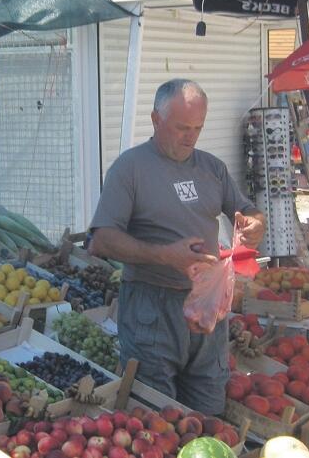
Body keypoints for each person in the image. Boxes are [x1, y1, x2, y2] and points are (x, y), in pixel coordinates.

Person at [88, 78, 265, 415]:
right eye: (182, 127)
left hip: (208, 307)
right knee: (155, 416)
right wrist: (165, 256)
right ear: (156, 120)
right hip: (152, 306)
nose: (191, 137)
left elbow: (248, 211)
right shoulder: (130, 168)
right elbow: (101, 240)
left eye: (198, 128)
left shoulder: (212, 168)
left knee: (208, 411)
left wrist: (256, 224)